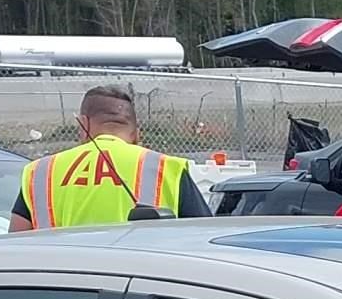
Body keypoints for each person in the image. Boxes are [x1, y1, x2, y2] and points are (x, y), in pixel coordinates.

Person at [11, 85, 209, 230]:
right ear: (137, 134)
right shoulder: (167, 168)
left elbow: (16, 243)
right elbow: (203, 237)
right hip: (144, 282)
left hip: (62, 283)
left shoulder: (41, 172)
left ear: (83, 124)